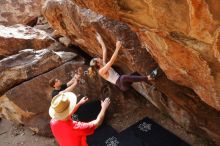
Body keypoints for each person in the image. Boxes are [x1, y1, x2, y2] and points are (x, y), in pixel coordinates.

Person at [89, 33, 158, 91]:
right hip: (121, 84)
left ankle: (153, 84)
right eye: (97, 59)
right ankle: (149, 77)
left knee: (137, 73)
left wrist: (100, 40)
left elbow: (104, 49)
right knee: (123, 77)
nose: (99, 58)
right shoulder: (101, 71)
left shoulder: (103, 63)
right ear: (98, 63)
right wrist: (117, 48)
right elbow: (110, 62)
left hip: (124, 80)